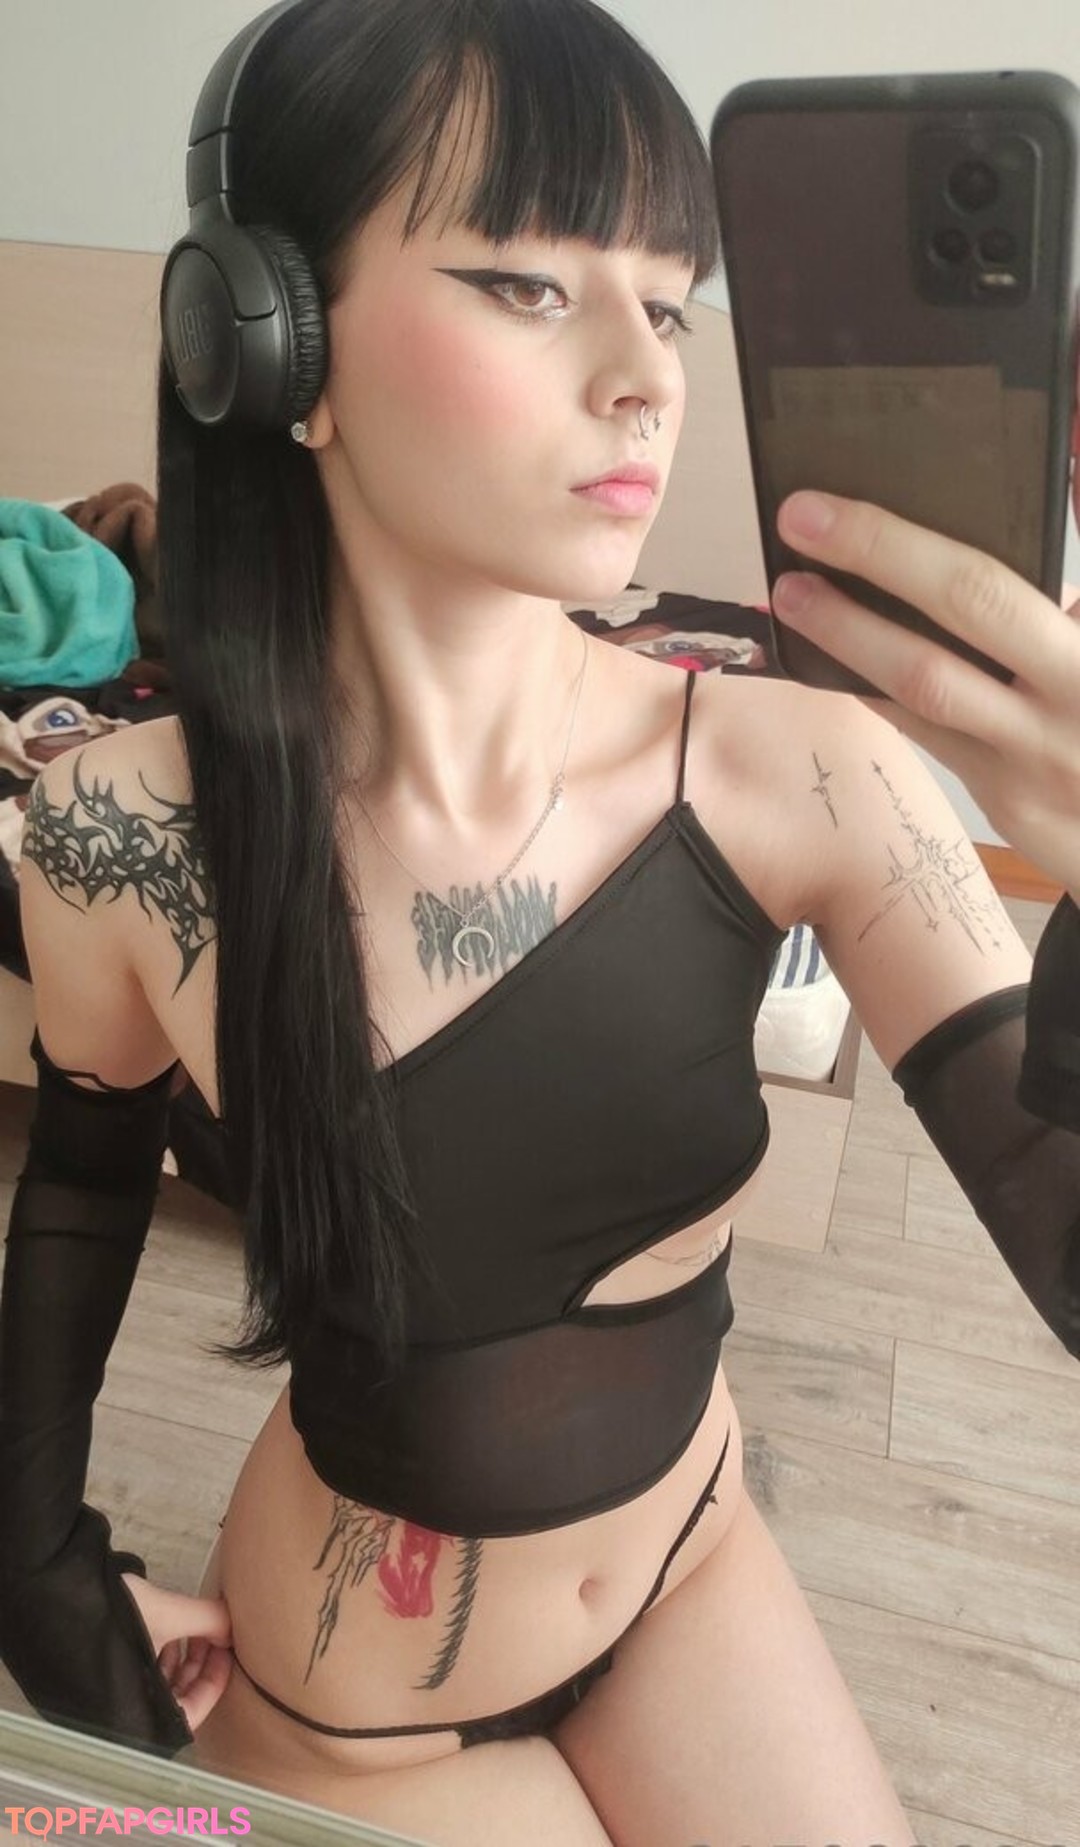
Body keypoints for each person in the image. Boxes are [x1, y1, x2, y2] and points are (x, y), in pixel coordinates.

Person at [1, 1, 1077, 1842]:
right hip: (365, 1706)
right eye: (526, 284)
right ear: (271, 344)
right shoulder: (118, 836)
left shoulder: (806, 770)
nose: (645, 376)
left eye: (667, 303)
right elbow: (82, 1198)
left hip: (690, 1562)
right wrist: (42, 1575)